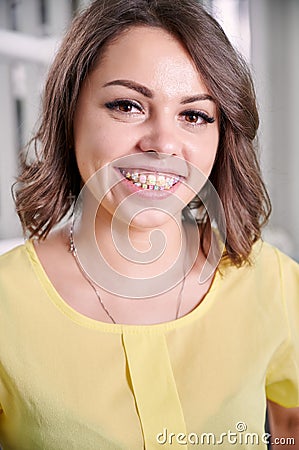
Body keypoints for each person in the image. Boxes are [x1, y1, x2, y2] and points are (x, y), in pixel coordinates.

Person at [0, 0, 298, 448]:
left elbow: (290, 428)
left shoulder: (271, 281)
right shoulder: (7, 305)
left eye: (194, 115)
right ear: (70, 112)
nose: (162, 143)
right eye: (127, 105)